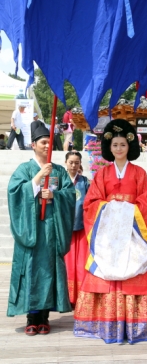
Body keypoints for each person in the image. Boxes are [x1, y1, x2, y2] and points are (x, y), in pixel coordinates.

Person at [74, 119, 147, 344]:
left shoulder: (139, 173)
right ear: (109, 147)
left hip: (133, 232)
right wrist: (109, 208)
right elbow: (91, 202)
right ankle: (105, 325)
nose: (118, 149)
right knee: (106, 273)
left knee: (135, 271)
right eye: (114, 145)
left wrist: (127, 210)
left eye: (122, 145)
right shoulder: (102, 174)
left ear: (130, 146)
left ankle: (138, 328)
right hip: (108, 233)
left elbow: (145, 201)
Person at [7, 121, 76, 336]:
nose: (47, 146)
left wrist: (55, 195)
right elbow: (14, 194)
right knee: (31, 273)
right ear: (33, 144)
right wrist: (37, 180)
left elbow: (71, 195)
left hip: (51, 231)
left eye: (49, 142)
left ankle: (44, 317)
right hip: (31, 231)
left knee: (48, 273)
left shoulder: (59, 172)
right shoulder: (24, 169)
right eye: (43, 142)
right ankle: (31, 317)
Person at [64, 151, 90, 306]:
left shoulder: (85, 182)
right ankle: (66, 297)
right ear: (66, 162)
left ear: (80, 164)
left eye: (77, 162)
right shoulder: (59, 180)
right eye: (71, 162)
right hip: (64, 228)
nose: (73, 165)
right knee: (67, 263)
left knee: (81, 263)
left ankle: (80, 296)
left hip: (81, 229)